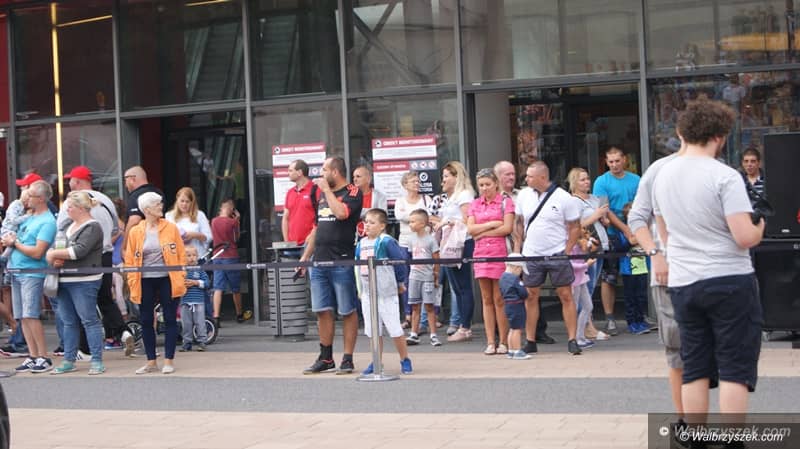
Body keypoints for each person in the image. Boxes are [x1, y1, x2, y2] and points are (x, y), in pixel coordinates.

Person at [652, 99, 765, 417]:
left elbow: (665, 233)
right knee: (734, 367)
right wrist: (760, 226)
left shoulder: (663, 175)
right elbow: (744, 237)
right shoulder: (725, 176)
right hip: (729, 278)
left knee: (694, 366)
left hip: (684, 281)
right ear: (719, 136)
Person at [628, 135, 686, 418]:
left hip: (711, 275)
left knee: (717, 353)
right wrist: (655, 253)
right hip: (669, 275)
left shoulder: (719, 169)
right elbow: (636, 217)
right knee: (677, 352)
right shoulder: (659, 170)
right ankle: (687, 422)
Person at [57, 166, 133, 357]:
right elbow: (116, 228)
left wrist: (56, 254)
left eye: (70, 180)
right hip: (105, 255)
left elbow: (60, 231)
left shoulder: (71, 203)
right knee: (105, 298)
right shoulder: (105, 200)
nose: (69, 183)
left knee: (82, 303)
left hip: (81, 258)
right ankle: (123, 331)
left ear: (77, 181)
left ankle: (85, 349)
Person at [298, 156, 363, 374]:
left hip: (341, 260)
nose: (321, 174)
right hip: (319, 260)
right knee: (321, 310)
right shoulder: (320, 195)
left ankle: (347, 358)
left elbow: (342, 213)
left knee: (347, 310)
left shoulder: (353, 191)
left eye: (324, 169)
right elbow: (316, 228)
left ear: (335, 172)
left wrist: (326, 190)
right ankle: (325, 357)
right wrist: (305, 257)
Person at [515, 161, 582, 356]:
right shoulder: (524, 195)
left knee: (566, 295)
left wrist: (567, 250)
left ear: (542, 177)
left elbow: (575, 226)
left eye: (530, 176)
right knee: (531, 296)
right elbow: (519, 222)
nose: (526, 179)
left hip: (556, 252)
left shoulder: (564, 197)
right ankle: (530, 340)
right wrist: (518, 248)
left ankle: (572, 339)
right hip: (531, 253)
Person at [124, 191, 187, 375]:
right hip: (144, 280)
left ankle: (169, 360)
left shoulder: (171, 228)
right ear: (147, 209)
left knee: (169, 318)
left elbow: (181, 254)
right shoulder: (136, 231)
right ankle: (151, 361)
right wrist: (131, 279)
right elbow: (130, 258)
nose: (161, 206)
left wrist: (182, 273)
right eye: (157, 204)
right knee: (145, 320)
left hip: (168, 278)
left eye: (160, 203)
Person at [47, 191, 106, 375]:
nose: (67, 210)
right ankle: (69, 359)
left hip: (84, 280)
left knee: (89, 320)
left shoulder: (93, 227)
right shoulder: (66, 225)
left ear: (81, 208)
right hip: (63, 279)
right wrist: (54, 256)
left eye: (70, 207)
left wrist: (54, 254)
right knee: (68, 322)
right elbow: (56, 246)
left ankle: (97, 360)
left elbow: (78, 251)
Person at [495, 160, 554, 344]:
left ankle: (537, 331)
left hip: (527, 248)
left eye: (513, 173)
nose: (512, 177)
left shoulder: (524, 194)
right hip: (503, 249)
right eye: (507, 174)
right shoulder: (493, 197)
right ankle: (505, 335)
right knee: (506, 291)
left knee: (530, 290)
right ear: (497, 177)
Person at [2, 179, 57, 373]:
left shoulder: (47, 221)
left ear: (41, 198)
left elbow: (38, 252)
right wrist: (10, 240)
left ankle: (43, 356)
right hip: (17, 271)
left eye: (31, 196)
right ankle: (33, 355)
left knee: (31, 315)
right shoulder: (30, 217)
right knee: (22, 316)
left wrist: (15, 243)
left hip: (32, 273)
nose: (27, 199)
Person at [355, 208, 412, 375]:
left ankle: (404, 358)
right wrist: (360, 289)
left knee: (394, 328)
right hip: (368, 293)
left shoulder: (387, 242)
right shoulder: (361, 244)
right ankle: (376, 360)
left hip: (386, 292)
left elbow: (399, 263)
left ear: (382, 226)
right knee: (373, 330)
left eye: (372, 223)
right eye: (366, 222)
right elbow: (357, 268)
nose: (367, 225)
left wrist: (400, 282)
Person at [592, 147, 639, 336]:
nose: (614, 165)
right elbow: (605, 209)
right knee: (609, 277)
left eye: (617, 161)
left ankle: (637, 317)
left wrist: (635, 229)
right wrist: (626, 230)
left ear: (624, 160)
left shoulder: (636, 180)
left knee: (636, 274)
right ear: (606, 162)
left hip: (635, 231)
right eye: (610, 162)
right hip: (611, 233)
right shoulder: (601, 181)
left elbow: (641, 205)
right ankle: (610, 318)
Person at [467, 168, 514, 355]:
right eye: (481, 185)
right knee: (486, 299)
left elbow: (507, 228)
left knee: (499, 299)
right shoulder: (475, 204)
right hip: (480, 253)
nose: (484, 188)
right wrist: (491, 224)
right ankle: (490, 341)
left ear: (496, 184)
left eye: (487, 184)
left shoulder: (505, 202)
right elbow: (470, 229)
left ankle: (503, 341)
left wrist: (482, 233)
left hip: (499, 252)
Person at [428, 161, 475, 343]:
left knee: (463, 286)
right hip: (448, 243)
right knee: (456, 286)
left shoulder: (464, 195)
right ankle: (462, 324)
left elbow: (467, 220)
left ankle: (465, 326)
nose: (444, 180)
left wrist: (446, 222)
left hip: (461, 242)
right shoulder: (451, 196)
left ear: (457, 177)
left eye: (447, 176)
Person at [393, 171, 433, 329]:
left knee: (426, 278)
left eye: (418, 181)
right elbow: (399, 216)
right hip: (405, 243)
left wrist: (412, 217)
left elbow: (429, 217)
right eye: (413, 181)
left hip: (423, 244)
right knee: (406, 279)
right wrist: (419, 218)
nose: (417, 184)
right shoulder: (400, 201)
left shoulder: (426, 199)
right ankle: (408, 315)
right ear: (405, 185)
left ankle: (426, 316)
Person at [210, 198, 251, 325]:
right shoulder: (232, 222)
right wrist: (237, 220)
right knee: (235, 288)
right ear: (232, 209)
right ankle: (239, 314)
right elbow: (236, 238)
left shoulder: (214, 221)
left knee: (218, 288)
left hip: (217, 256)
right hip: (230, 256)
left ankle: (216, 317)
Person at [404, 209, 441, 347]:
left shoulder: (431, 239)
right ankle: (414, 333)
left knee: (429, 306)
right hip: (414, 276)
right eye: (410, 221)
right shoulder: (410, 239)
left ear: (422, 223)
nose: (410, 224)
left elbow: (436, 259)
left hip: (427, 277)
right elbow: (411, 256)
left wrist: (436, 275)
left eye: (413, 222)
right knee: (415, 306)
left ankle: (433, 335)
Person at [618, 203, 650, 336]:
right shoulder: (623, 231)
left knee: (641, 295)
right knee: (630, 296)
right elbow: (619, 248)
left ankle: (640, 319)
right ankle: (631, 322)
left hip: (642, 266)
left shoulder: (643, 229)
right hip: (628, 268)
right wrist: (629, 242)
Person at [166, 187, 212, 258]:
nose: (184, 204)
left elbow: (209, 238)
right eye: (182, 201)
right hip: (177, 257)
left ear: (192, 203)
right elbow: (166, 238)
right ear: (177, 200)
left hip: (197, 257)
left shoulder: (200, 215)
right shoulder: (169, 216)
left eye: (187, 202)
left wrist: (195, 235)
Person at [179, 246, 210, 352]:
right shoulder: (182, 270)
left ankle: (202, 342)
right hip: (185, 301)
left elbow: (207, 283)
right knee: (186, 324)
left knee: (200, 323)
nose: (191, 258)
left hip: (198, 302)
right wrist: (182, 284)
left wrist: (196, 283)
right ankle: (187, 342)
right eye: (188, 255)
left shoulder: (199, 270)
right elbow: (177, 283)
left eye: (194, 255)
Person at [499, 254, 530, 360]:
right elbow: (523, 293)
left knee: (512, 328)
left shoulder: (502, 278)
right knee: (517, 329)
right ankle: (517, 350)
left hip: (508, 304)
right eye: (520, 270)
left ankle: (511, 350)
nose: (520, 272)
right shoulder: (514, 279)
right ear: (516, 267)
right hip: (517, 305)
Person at [281, 159, 315, 253]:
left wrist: (312, 237)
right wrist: (287, 241)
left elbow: (320, 217)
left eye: (290, 170)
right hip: (291, 246)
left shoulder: (315, 189)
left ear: (300, 172)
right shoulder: (290, 192)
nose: (288, 173)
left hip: (310, 244)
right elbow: (285, 218)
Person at [570, 232, 597, 349]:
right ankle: (576, 338)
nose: (586, 234)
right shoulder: (570, 245)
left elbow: (593, 247)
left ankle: (580, 336)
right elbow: (570, 264)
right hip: (574, 280)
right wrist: (586, 265)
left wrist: (592, 245)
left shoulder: (582, 244)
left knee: (588, 306)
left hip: (582, 278)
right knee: (574, 307)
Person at [353, 165, 387, 238]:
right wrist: (372, 212)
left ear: (368, 179)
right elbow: (350, 215)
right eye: (354, 177)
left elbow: (382, 216)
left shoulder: (380, 196)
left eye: (358, 176)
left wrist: (359, 212)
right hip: (355, 236)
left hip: (376, 236)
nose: (355, 179)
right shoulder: (350, 196)